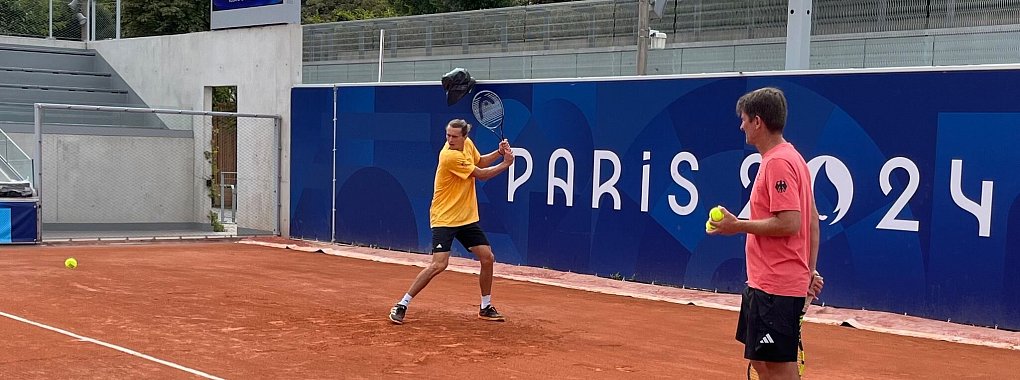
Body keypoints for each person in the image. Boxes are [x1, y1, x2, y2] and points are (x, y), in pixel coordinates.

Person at [708, 87, 824, 380]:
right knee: (761, 364)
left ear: (757, 122)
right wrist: (808, 271)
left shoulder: (778, 163)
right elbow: (811, 222)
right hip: (768, 282)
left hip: (775, 285)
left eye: (744, 119)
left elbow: (791, 223)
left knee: (777, 369)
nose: (741, 126)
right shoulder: (792, 157)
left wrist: (739, 226)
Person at [388, 119, 515, 325]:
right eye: (447, 135)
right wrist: (506, 164)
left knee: (487, 257)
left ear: (465, 136)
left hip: (465, 217)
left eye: (454, 136)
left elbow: (480, 161)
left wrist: (498, 153)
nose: (449, 139)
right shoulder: (449, 155)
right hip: (444, 218)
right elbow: (481, 175)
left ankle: (485, 306)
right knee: (439, 264)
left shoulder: (468, 146)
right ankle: (402, 304)